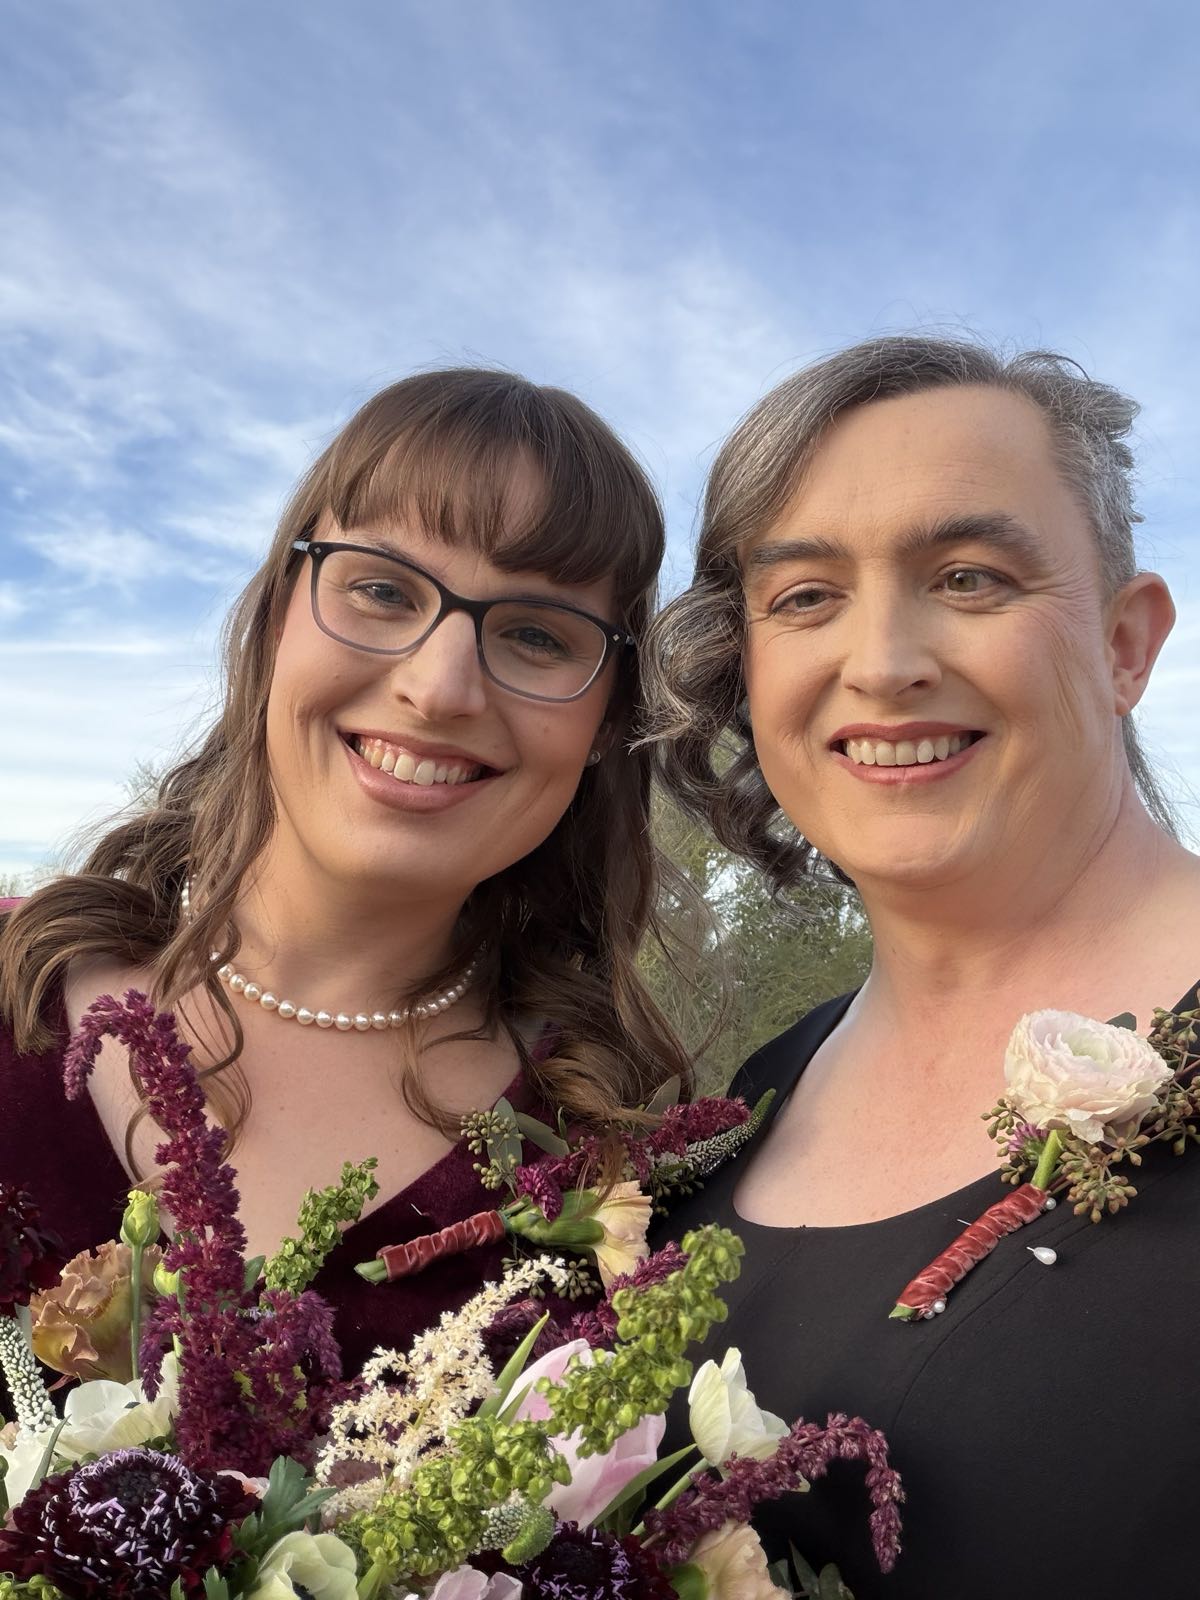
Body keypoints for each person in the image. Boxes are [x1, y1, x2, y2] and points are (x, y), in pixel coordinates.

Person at [647, 335, 1200, 1597]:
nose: (883, 659)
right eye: (802, 597)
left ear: (1126, 642)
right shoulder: (748, 1103)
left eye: (968, 575)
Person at [1, 367, 692, 1375]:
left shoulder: (607, 1179)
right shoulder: (17, 991)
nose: (439, 686)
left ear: (603, 724)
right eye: (380, 588)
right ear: (282, 613)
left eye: (538, 634)